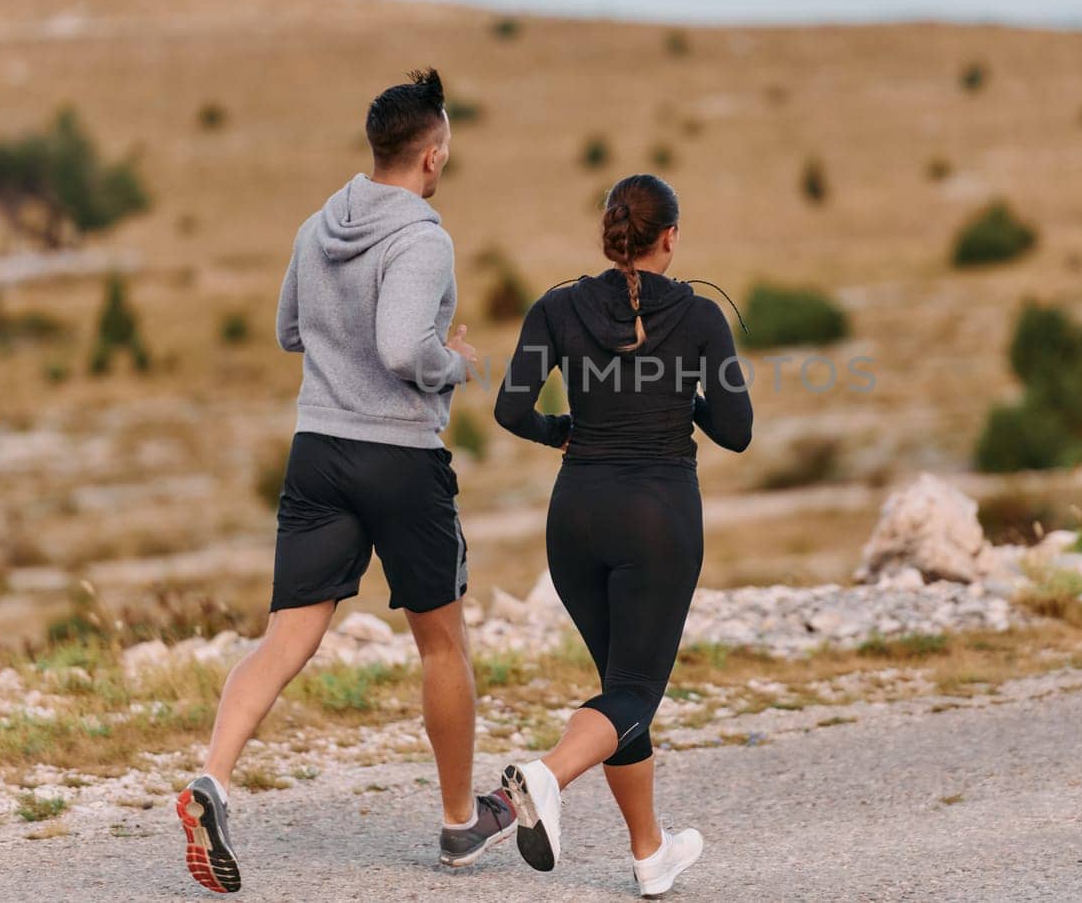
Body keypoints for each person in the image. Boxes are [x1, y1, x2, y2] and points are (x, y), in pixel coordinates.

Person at [176, 68, 515, 894]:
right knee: (441, 640)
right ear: (431, 156)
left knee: (287, 634)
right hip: (399, 455)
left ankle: (212, 778)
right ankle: (459, 825)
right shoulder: (424, 238)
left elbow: (290, 329)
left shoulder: (315, 226)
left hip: (318, 449)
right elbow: (405, 347)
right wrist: (452, 363)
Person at [492, 174, 754, 897]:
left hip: (573, 518)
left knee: (621, 692)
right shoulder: (699, 317)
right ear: (670, 237)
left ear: (611, 235)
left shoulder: (557, 306)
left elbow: (512, 411)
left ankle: (650, 852)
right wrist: (683, 389)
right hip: (657, 519)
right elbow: (737, 431)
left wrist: (565, 431)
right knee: (636, 688)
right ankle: (545, 777)